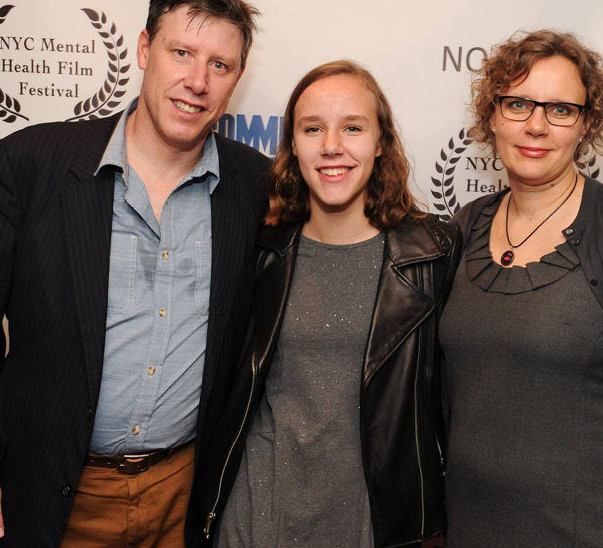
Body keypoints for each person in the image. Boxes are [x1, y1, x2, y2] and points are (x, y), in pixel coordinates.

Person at [0, 0, 269, 548]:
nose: (196, 81)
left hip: (184, 498)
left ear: (237, 78)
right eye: (181, 52)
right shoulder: (29, 165)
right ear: (144, 49)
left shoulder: (256, 186)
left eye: (220, 65)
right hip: (50, 494)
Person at [438, 30, 603, 548]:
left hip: (592, 531)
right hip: (472, 527)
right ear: (492, 116)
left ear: (586, 125)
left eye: (560, 109)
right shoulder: (465, 226)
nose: (536, 124)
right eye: (518, 104)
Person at [186, 60, 460, 548]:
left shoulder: (431, 257)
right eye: (313, 129)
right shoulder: (259, 252)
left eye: (352, 127)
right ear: (293, 146)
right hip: (255, 519)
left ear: (381, 142)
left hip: (369, 525)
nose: (332, 145)